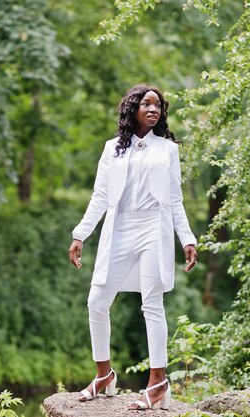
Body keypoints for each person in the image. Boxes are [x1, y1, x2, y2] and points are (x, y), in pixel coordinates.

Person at [68, 84, 198, 410]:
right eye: (147, 104)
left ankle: (158, 382)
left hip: (153, 227)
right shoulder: (112, 149)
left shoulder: (167, 150)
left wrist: (187, 238)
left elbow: (174, 199)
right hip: (120, 228)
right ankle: (104, 375)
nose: (154, 110)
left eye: (158, 106)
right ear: (133, 109)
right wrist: (80, 234)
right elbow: (99, 197)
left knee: (152, 303)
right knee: (97, 301)